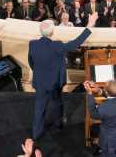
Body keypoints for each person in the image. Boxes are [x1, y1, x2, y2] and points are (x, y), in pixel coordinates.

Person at [29, 12, 98, 140]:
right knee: (57, 103)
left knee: (39, 108)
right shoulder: (57, 45)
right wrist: (89, 26)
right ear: (52, 32)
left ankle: (36, 134)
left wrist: (39, 73)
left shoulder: (32, 44)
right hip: (55, 82)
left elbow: (31, 62)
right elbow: (75, 43)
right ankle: (58, 125)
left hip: (40, 82)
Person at [84, 79, 116, 157]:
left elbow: (93, 113)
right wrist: (99, 90)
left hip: (109, 139)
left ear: (106, 92)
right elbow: (114, 93)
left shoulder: (104, 108)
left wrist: (90, 93)